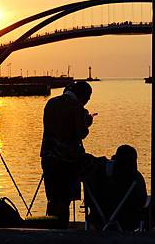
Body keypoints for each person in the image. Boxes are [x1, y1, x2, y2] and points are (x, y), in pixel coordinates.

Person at [40, 81, 94, 228]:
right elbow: (81, 133)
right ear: (82, 95)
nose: (87, 101)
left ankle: (50, 228)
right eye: (88, 97)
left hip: (48, 157)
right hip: (67, 161)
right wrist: (87, 122)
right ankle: (62, 230)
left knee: (52, 198)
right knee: (65, 199)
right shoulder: (76, 107)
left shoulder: (51, 103)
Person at [83, 145, 148, 231]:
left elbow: (89, 201)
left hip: (98, 218)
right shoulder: (135, 178)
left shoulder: (97, 176)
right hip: (128, 221)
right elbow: (142, 201)